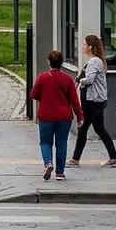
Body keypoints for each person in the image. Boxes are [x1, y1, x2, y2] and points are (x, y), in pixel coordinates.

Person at [30, 50, 84, 181]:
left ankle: (48, 163)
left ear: (49, 62)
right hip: (64, 117)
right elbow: (74, 100)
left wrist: (44, 97)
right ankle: (60, 172)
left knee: (45, 142)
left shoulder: (42, 77)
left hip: (46, 115)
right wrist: (80, 116)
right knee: (62, 144)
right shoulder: (68, 79)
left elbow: (33, 94)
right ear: (61, 63)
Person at [68, 34, 116, 167]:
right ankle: (113, 156)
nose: (82, 47)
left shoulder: (94, 62)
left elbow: (90, 80)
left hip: (93, 100)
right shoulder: (93, 61)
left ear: (90, 47)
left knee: (82, 127)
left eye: (84, 44)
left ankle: (75, 158)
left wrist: (80, 80)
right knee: (99, 128)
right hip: (96, 99)